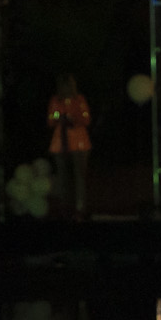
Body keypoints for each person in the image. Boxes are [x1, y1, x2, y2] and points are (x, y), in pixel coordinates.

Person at [47, 74, 92, 220]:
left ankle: (80, 207)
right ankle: (64, 207)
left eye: (69, 85)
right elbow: (50, 120)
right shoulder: (56, 100)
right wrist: (58, 118)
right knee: (62, 176)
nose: (66, 88)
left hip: (79, 141)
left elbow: (86, 118)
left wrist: (73, 118)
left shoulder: (79, 100)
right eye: (64, 85)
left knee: (80, 175)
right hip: (60, 142)